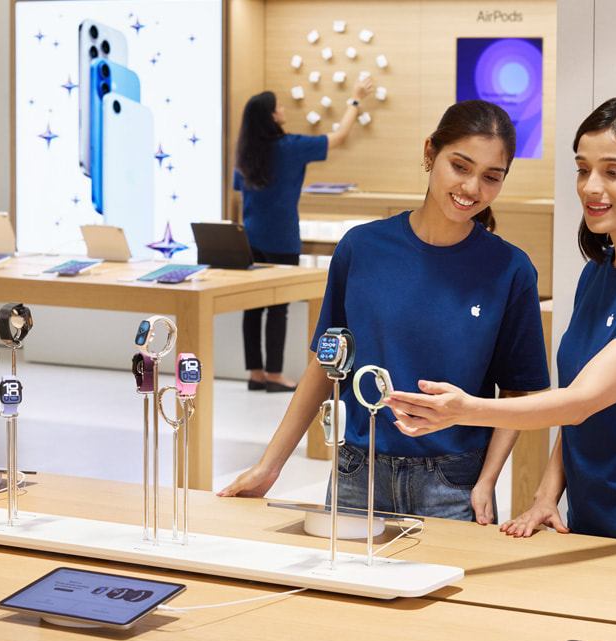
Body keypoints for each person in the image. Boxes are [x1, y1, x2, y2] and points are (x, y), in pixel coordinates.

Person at [384, 97, 616, 548]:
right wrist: (545, 494)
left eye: (613, 172)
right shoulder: (600, 271)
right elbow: (582, 410)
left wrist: (467, 410)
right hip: (587, 524)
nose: (591, 187)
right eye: (583, 169)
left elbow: (579, 401)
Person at [219, 100, 550, 526]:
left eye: (491, 177)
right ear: (430, 153)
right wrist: (270, 465)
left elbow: (518, 392)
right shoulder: (361, 248)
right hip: (357, 474)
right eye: (460, 166)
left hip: (453, 483)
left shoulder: (511, 268)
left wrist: (487, 480)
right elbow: (326, 363)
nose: (472, 188)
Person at [234, 76, 374, 392]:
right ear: (271, 116)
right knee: (278, 308)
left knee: (252, 308)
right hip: (281, 238)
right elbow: (338, 137)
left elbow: (241, 194)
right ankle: (274, 375)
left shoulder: (245, 153)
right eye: (278, 107)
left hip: (251, 238)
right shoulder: (291, 147)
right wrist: (354, 99)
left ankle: (256, 374)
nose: (283, 109)